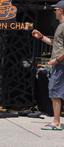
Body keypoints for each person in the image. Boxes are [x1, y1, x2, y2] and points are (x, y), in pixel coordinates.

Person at [32, 1, 64, 130]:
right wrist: (41, 37)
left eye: (55, 9)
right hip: (60, 64)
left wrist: (57, 60)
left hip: (60, 65)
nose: (54, 12)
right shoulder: (60, 26)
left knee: (55, 92)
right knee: (56, 92)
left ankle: (56, 123)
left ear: (61, 10)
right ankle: (56, 121)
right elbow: (56, 43)